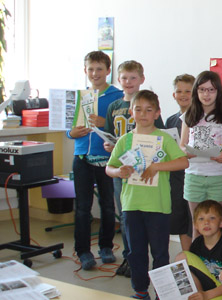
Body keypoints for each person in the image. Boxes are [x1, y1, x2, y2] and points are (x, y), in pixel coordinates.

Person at [106, 90, 189, 299]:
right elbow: (110, 168)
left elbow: (183, 162)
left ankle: (162, 291)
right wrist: (119, 171)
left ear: (157, 113)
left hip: (158, 206)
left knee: (160, 253)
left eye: (149, 110)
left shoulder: (164, 138)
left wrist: (157, 167)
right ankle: (140, 290)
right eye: (138, 109)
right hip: (132, 205)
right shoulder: (125, 140)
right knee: (135, 252)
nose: (143, 114)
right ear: (132, 113)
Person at [103, 60, 165, 277]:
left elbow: (161, 141)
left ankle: (144, 261)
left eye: (132, 78)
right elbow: (109, 138)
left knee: (148, 221)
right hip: (124, 169)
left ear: (141, 79)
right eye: (124, 78)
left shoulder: (152, 109)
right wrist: (110, 146)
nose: (128, 82)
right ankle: (131, 258)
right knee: (126, 215)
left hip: (149, 176)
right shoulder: (114, 107)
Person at [68, 50, 123, 270]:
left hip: (107, 158)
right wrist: (72, 134)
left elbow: (122, 129)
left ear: (108, 71)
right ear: (85, 71)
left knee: (108, 206)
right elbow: (67, 129)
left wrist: (103, 122)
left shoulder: (117, 96)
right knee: (82, 207)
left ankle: (106, 246)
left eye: (99, 69)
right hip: (81, 157)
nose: (95, 73)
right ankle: (82, 251)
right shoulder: (79, 96)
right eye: (90, 69)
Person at [180, 71, 222, 240]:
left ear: (218, 92)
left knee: (216, 224)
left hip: (217, 177)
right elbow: (182, 145)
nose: (206, 94)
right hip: (194, 176)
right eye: (202, 89)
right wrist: (186, 152)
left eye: (211, 90)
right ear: (196, 92)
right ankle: (198, 265)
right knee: (197, 225)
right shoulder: (188, 116)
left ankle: (216, 263)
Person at [174, 200, 222, 300]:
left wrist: (207, 295)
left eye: (212, 218)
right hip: (203, 291)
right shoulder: (197, 244)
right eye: (201, 219)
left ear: (221, 222)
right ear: (195, 225)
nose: (206, 222)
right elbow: (192, 273)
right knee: (181, 258)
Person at [165, 73, 196, 251]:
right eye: (179, 91)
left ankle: (197, 260)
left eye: (188, 91)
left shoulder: (200, 118)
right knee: (181, 220)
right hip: (176, 178)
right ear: (174, 95)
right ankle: (187, 255)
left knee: (194, 219)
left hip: (194, 175)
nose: (183, 95)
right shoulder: (170, 120)